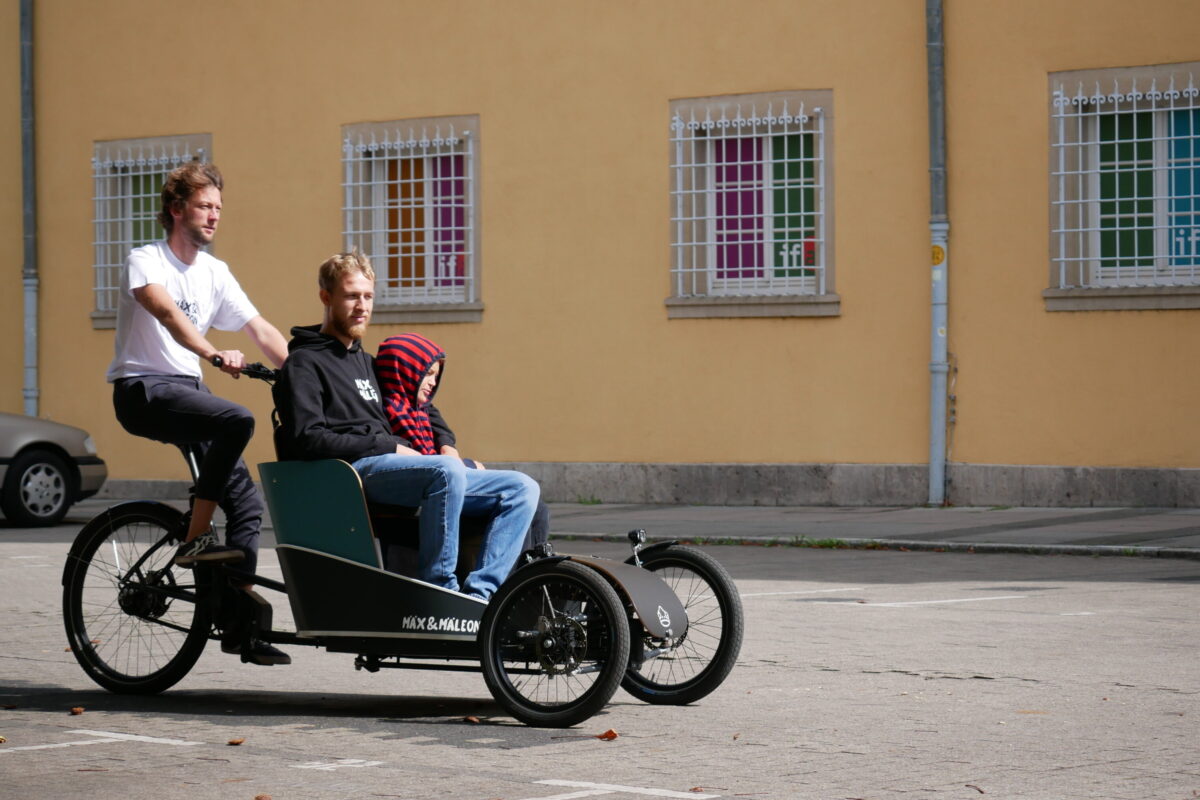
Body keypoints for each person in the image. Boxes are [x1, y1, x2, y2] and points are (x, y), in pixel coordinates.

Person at [105, 161, 290, 665]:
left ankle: (239, 625)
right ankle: (193, 539)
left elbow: (261, 330)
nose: (214, 217)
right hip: (143, 387)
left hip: (188, 390)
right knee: (236, 419)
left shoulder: (216, 273)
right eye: (205, 206)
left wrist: (305, 378)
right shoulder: (146, 259)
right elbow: (165, 312)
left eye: (219, 209)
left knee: (249, 506)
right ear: (176, 209)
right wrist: (211, 353)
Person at [272, 250, 538, 600]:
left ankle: (480, 597)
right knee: (445, 473)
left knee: (521, 487)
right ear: (326, 297)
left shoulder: (367, 362)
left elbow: (419, 401)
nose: (361, 306)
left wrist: (446, 442)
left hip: (395, 466)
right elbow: (307, 438)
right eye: (352, 296)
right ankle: (440, 591)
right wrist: (386, 446)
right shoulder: (304, 364)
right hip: (352, 474)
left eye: (368, 297)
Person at [374, 333, 551, 558]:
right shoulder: (385, 411)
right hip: (426, 484)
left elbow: (443, 434)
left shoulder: (420, 409)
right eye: (427, 374)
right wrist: (461, 466)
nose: (432, 383)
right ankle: (510, 583)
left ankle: (527, 577)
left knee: (536, 504)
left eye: (435, 376)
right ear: (406, 372)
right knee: (518, 496)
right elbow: (410, 458)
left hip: (443, 475)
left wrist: (452, 453)